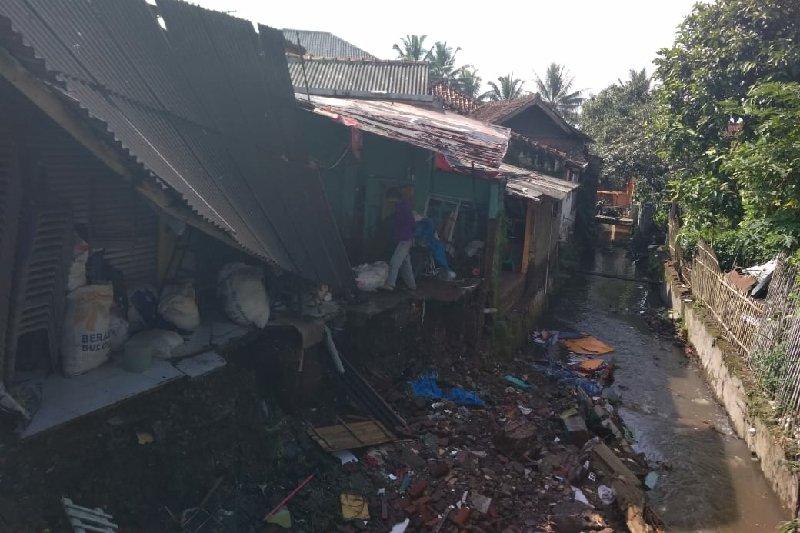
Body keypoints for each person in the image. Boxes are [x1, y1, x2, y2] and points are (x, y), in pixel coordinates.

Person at [383, 188, 417, 291]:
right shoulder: (400, 206)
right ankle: (412, 285)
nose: (387, 200)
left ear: (393, 197)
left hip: (404, 239)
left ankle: (391, 284)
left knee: (395, 262)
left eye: (388, 198)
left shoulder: (403, 207)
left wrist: (411, 235)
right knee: (406, 264)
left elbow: (411, 222)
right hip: (405, 238)